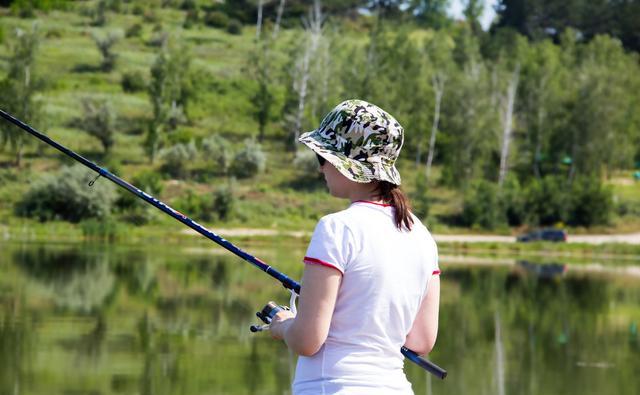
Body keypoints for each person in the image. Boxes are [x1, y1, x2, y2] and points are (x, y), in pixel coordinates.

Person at [269, 99, 441, 395]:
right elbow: (421, 341)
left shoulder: (336, 228)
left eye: (321, 157)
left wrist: (283, 324)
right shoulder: (422, 236)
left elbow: (307, 340)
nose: (320, 167)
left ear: (344, 163)